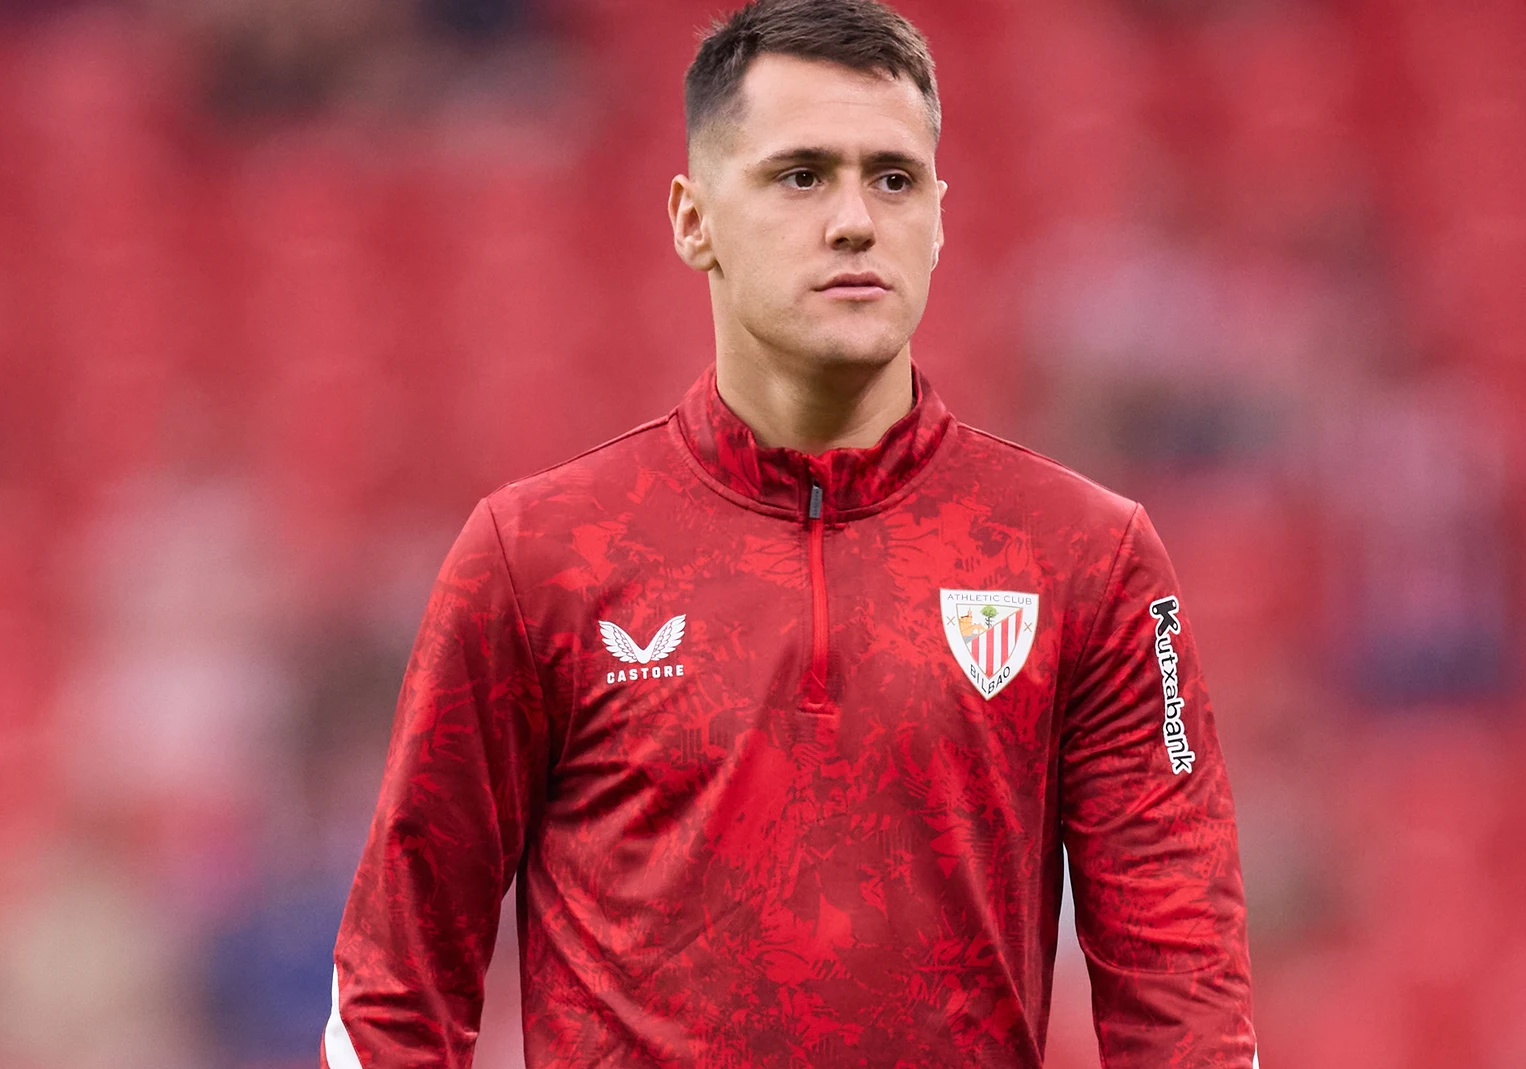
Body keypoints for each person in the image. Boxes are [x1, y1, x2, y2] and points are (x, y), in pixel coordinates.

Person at [322, 1, 1257, 1066]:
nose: (855, 219)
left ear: (941, 217)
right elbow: (394, 984)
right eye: (800, 174)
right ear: (692, 218)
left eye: (892, 178)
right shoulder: (536, 556)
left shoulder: (1088, 558)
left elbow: (1182, 986)